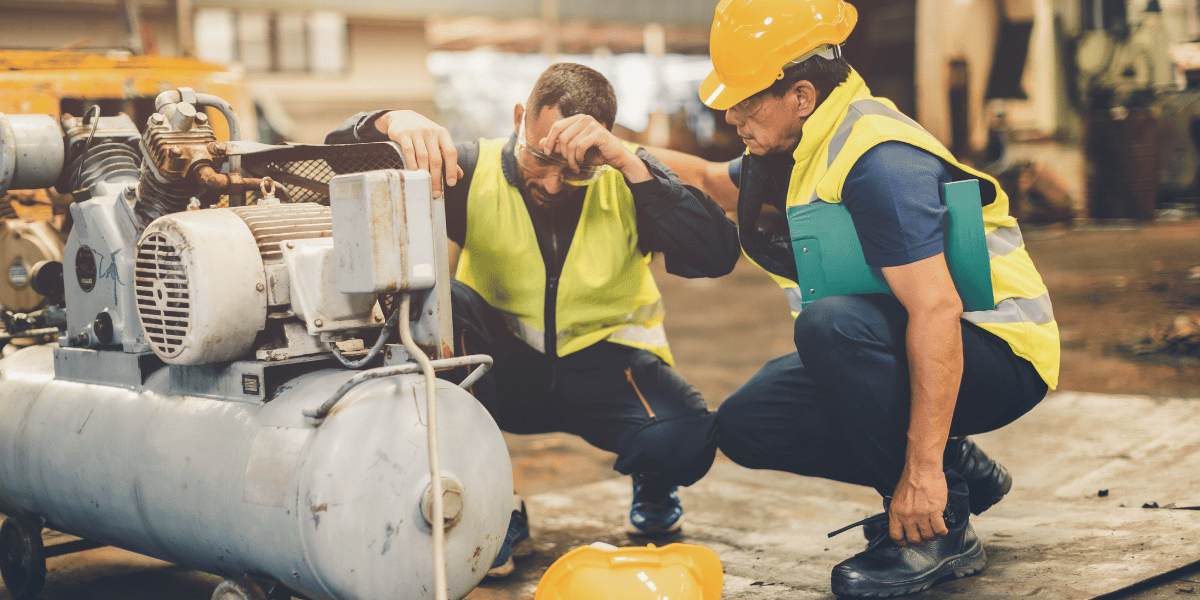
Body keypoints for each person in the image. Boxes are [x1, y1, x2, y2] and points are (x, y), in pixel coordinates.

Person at [694, 0, 1061, 597]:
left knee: (830, 326)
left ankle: (936, 527)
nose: (731, 115)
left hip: (1002, 354)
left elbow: (937, 309)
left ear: (802, 95)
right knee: (748, 423)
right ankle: (959, 466)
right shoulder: (807, 141)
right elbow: (711, 179)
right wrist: (615, 154)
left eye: (745, 99)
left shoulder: (875, 160)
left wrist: (919, 474)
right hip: (940, 344)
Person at [326, 63, 739, 579]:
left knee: (684, 442)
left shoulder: (626, 178)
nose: (551, 180)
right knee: (443, 297)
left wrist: (629, 166)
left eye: (574, 166)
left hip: (610, 371)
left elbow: (716, 256)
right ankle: (494, 506)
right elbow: (330, 164)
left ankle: (654, 481)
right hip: (504, 370)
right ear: (521, 117)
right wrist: (389, 122)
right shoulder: (471, 171)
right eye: (541, 156)